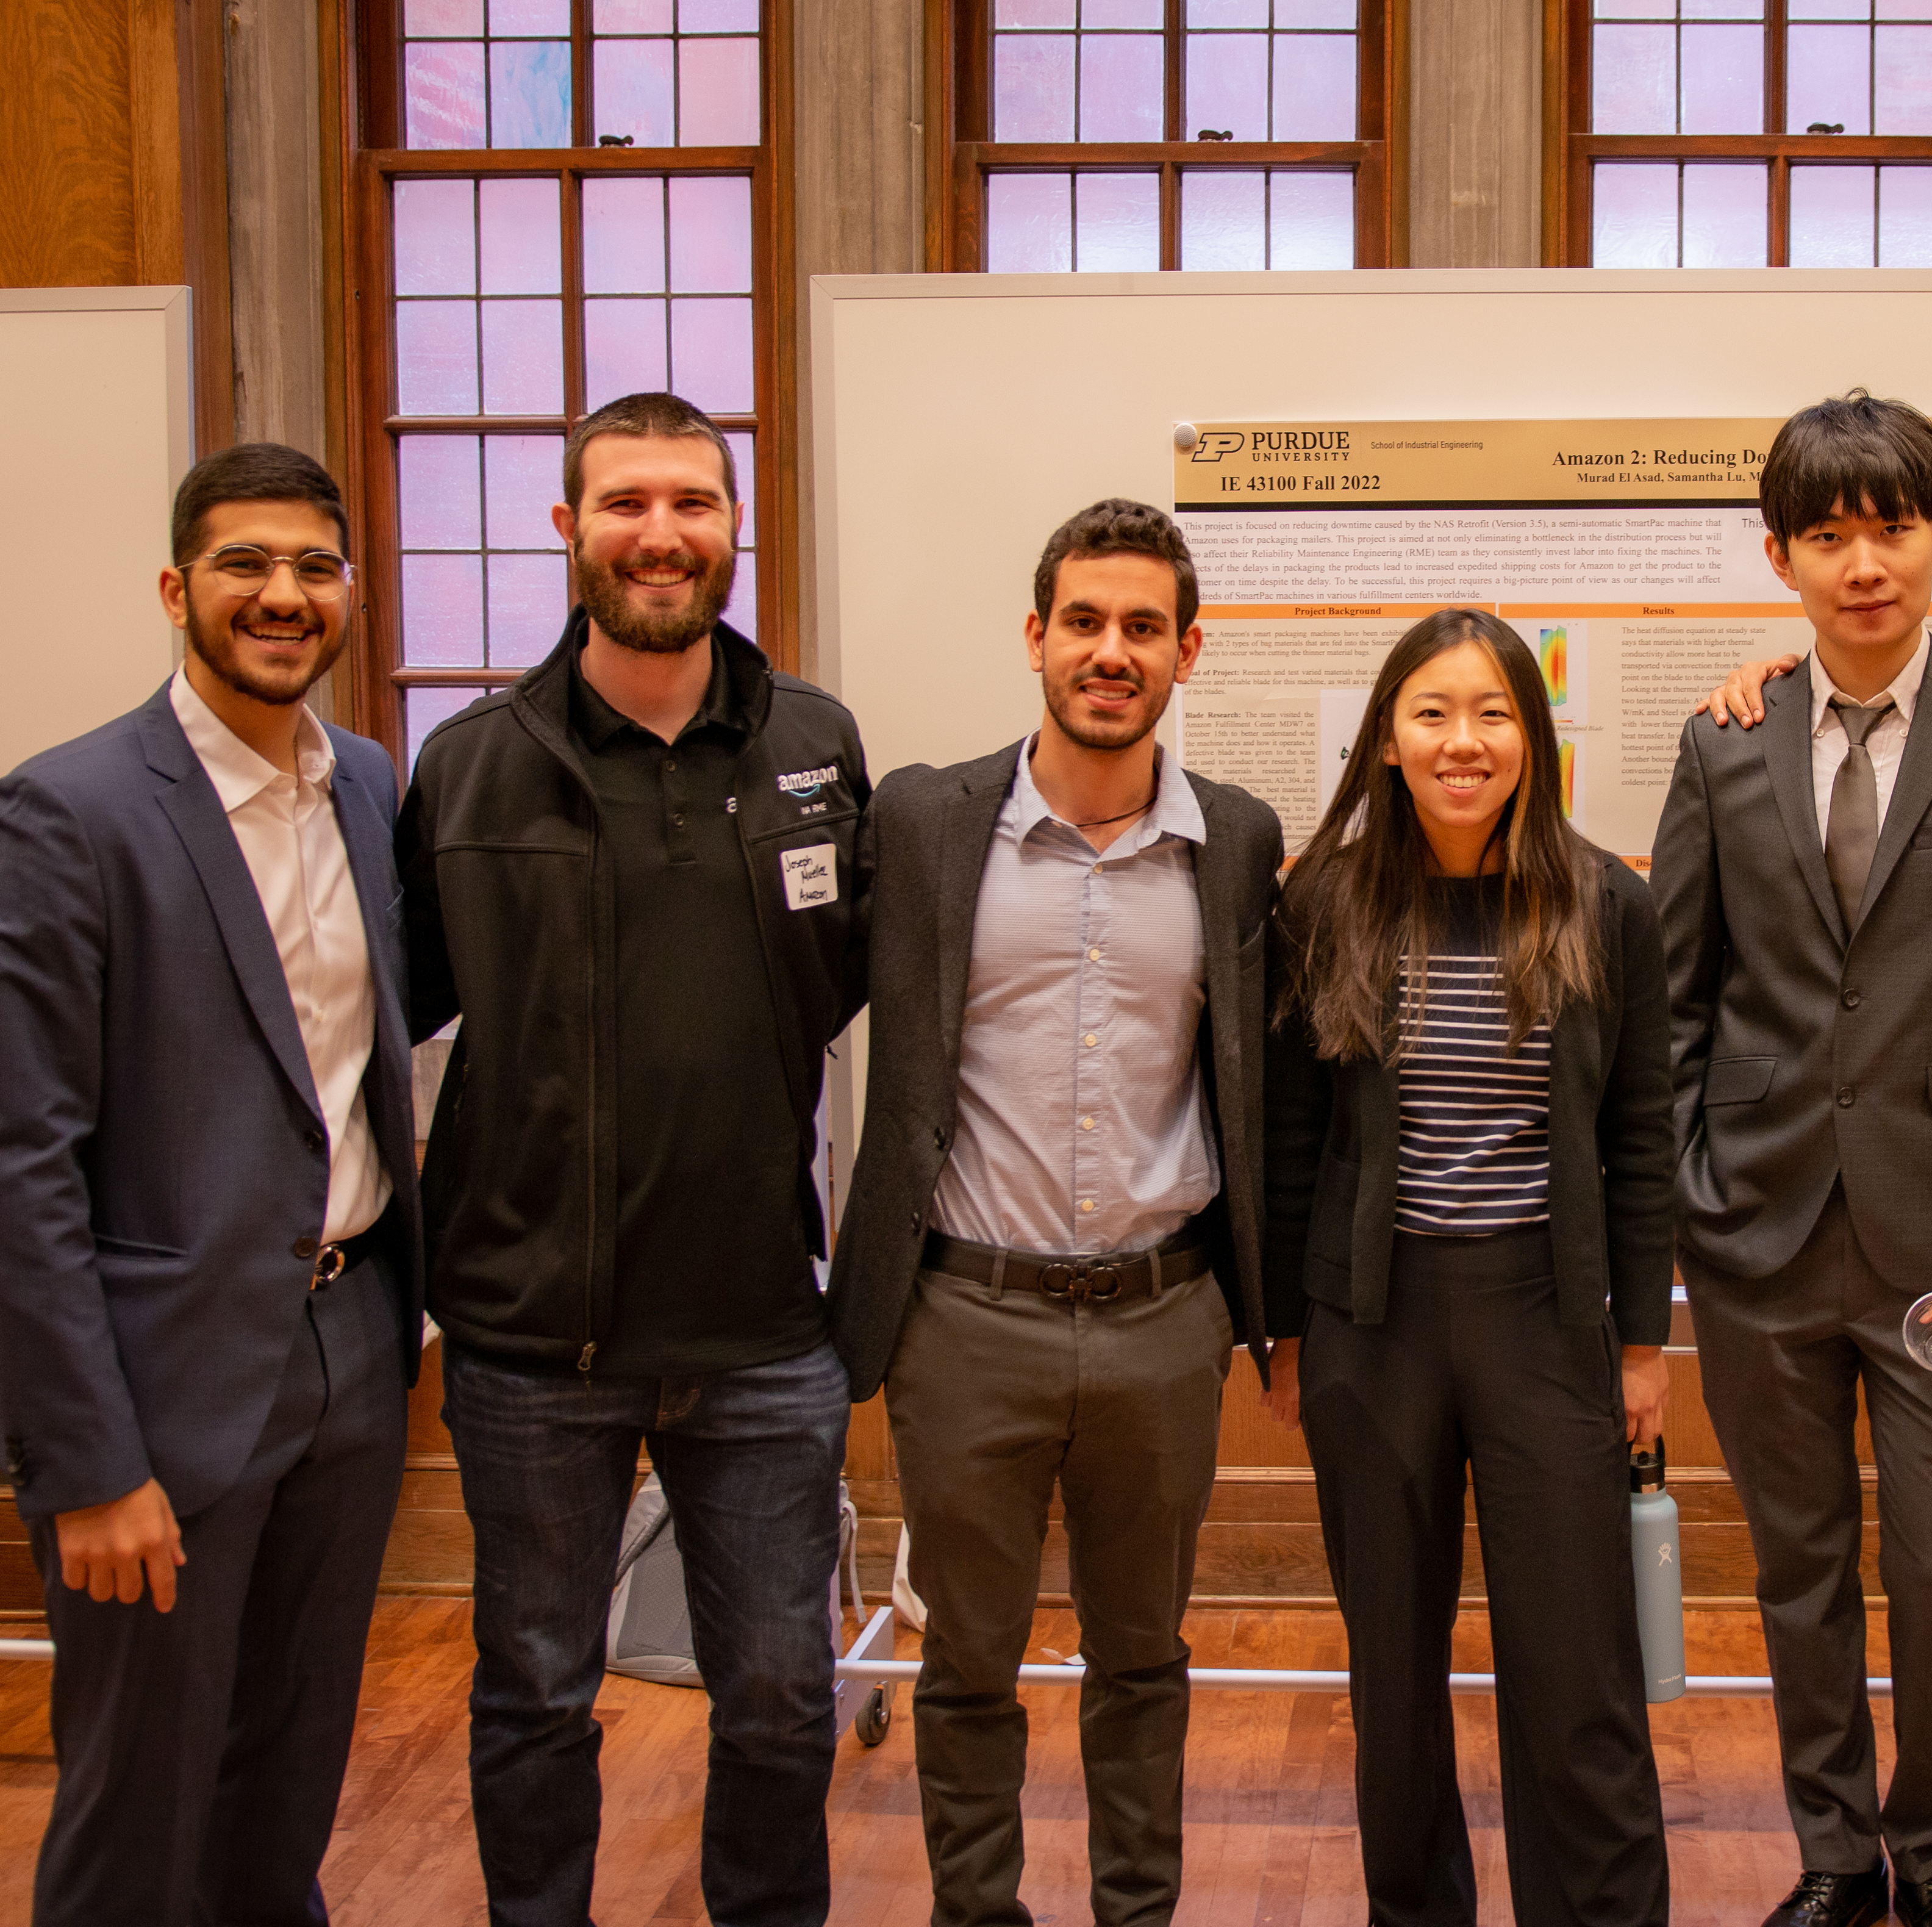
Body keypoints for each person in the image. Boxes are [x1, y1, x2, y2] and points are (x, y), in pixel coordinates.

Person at [398, 391, 874, 1926]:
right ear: (568, 527)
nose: (659, 534)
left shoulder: (815, 746)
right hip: (534, 1342)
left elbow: (844, 973)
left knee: (781, 1694)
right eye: (624, 503)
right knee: (535, 1691)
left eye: (690, 502)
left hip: (759, 1329)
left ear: (737, 528)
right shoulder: (470, 767)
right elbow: (388, 1009)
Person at [1654, 391, 1932, 1927]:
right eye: (1825, 535)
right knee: (1798, 1570)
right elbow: (1677, 993)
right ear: (1777, 555)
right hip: (1758, 1235)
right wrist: (1694, 1194)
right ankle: (1833, 1859)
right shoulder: (1721, 741)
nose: (1861, 563)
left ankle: (1930, 1849)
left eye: (1889, 527)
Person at [826, 498, 1281, 1927]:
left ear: (1185, 651)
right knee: (967, 1660)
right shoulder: (920, 820)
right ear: (1035, 636)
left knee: (1142, 1657)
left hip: (1162, 1320)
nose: (1110, 649)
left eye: (1142, 626)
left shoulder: (1239, 842)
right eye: (1083, 620)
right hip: (965, 1316)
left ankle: (1135, 1910)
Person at [0, 443, 424, 1924]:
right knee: (142, 1798)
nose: (283, 595)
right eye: (246, 563)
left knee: (291, 1771)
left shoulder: (365, 781)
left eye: (315, 566)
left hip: (352, 1353)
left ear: (349, 594)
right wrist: (88, 1463)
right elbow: (20, 1165)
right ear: (179, 588)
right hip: (162, 1390)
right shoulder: (72, 811)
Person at [1263, 607, 1676, 1927]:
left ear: (1530, 735)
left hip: (1544, 1313)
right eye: (1432, 711)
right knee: (1393, 1672)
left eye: (1493, 711)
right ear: (1386, 738)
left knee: (1578, 1673)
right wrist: (1280, 1327)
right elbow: (1286, 1132)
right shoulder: (1322, 901)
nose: (1463, 739)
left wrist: (1641, 1343)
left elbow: (1640, 1134)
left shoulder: (1605, 897)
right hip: (1369, 1320)